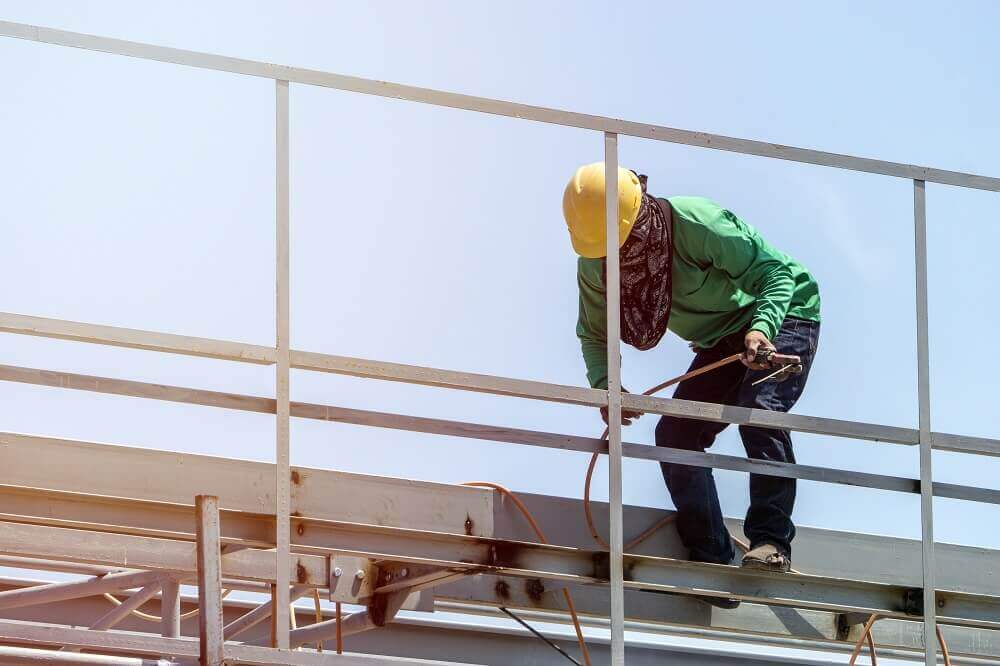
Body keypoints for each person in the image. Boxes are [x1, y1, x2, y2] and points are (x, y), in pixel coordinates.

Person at [564, 162, 820, 578]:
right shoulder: (596, 263)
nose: (617, 258)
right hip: (722, 337)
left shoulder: (696, 222)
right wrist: (607, 386)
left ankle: (771, 542)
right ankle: (713, 554)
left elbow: (776, 273)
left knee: (758, 411)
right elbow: (595, 333)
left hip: (784, 313)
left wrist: (760, 329)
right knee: (674, 435)